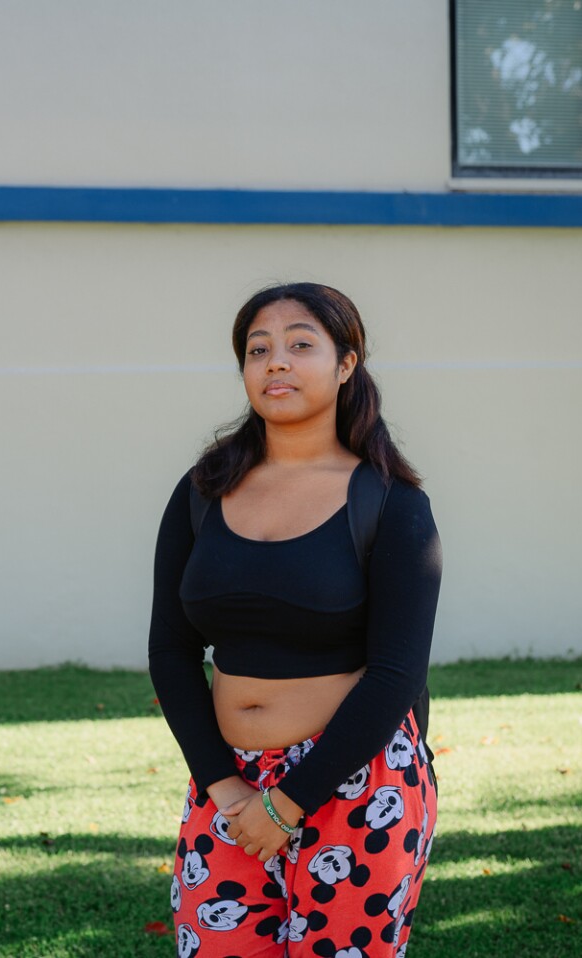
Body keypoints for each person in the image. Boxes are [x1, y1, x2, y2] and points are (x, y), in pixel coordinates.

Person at [147, 282, 442, 958]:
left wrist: (290, 802)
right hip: (228, 788)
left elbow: (398, 672)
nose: (275, 362)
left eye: (300, 344)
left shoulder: (393, 505)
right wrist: (225, 786)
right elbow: (170, 649)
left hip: (356, 787)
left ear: (347, 363)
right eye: (258, 349)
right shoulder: (203, 491)